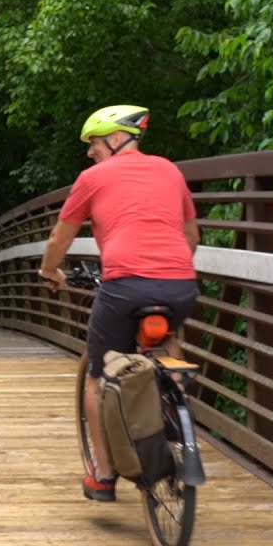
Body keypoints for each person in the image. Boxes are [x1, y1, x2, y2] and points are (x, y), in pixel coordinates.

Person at [36, 105, 200, 502]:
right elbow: (191, 234)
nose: (90, 152)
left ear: (114, 139)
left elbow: (60, 238)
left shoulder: (93, 178)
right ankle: (176, 397)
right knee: (169, 339)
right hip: (179, 281)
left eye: (93, 143)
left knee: (99, 375)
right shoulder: (169, 170)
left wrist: (50, 272)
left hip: (125, 284)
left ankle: (104, 476)